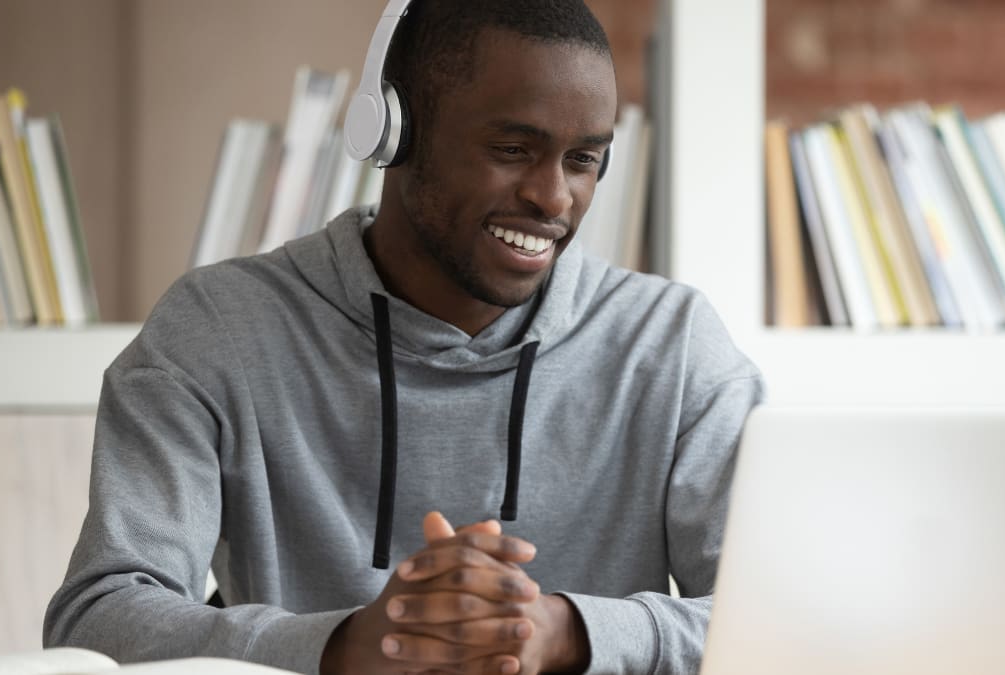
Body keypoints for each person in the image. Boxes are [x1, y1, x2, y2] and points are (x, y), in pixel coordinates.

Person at [44, 2, 764, 674]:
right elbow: (96, 617)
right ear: (393, 132)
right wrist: (342, 645)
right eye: (514, 148)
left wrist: (566, 630)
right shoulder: (218, 329)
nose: (553, 198)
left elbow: (786, 621)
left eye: (583, 160)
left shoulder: (671, 345)